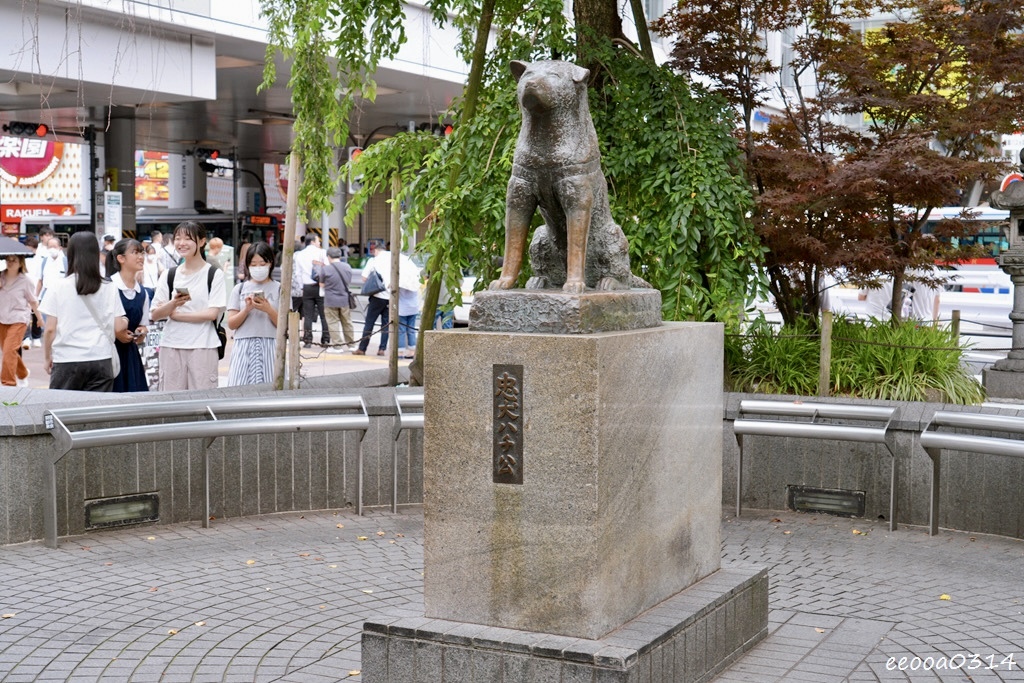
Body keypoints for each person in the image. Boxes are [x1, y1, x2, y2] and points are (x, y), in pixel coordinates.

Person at [40, 232, 128, 392]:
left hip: (67, 359)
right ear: (95, 254)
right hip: (101, 358)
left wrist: (47, 358)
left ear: (71, 254)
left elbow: (50, 329)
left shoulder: (58, 286)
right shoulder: (109, 287)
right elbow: (119, 325)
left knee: (62, 412)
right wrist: (126, 321)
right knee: (96, 414)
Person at [150, 221, 226, 391]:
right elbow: (155, 314)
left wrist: (177, 315)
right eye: (178, 238)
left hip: (203, 345)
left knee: (203, 401)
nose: (181, 243)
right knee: (171, 401)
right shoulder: (169, 275)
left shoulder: (214, 274)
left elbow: (212, 313)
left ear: (201, 241)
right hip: (171, 345)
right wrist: (173, 303)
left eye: (188, 238)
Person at [226, 242, 280, 385]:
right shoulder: (239, 288)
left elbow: (284, 326)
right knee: (239, 389)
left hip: (271, 345)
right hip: (243, 346)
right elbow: (231, 324)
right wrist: (247, 309)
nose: (258, 268)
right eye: (253, 264)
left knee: (272, 390)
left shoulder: (280, 289)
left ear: (270, 263)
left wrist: (268, 309)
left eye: (262, 263)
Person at [105, 239, 151, 392]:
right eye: (135, 252)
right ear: (121, 258)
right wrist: (117, 333)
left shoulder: (142, 292)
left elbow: (143, 324)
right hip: (108, 353)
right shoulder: (106, 286)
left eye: (141, 253)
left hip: (131, 355)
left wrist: (141, 332)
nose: (141, 257)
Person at [0, 254, 39, 387]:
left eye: (14, 260)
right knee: (8, 350)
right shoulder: (1, 277)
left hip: (19, 318)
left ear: (21, 262)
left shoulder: (26, 280)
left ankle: (8, 384)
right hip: (2, 318)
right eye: (8, 260)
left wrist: (39, 318)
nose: (10, 263)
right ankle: (22, 373)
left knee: (9, 350)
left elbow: (33, 301)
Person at [293, 233, 330, 348]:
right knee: (324, 314)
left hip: (307, 286)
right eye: (318, 241)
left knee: (307, 315)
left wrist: (302, 287)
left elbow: (298, 273)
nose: (319, 243)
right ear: (313, 242)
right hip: (320, 286)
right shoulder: (322, 252)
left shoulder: (300, 255)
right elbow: (327, 269)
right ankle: (325, 340)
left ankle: (308, 341)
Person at [353, 241, 390, 356]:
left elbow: (364, 278)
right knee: (386, 325)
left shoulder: (373, 261)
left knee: (369, 323)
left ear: (376, 251)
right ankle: (382, 349)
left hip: (377, 296)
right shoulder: (393, 260)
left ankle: (362, 348)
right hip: (390, 297)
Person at [319, 246, 356, 351]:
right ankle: (352, 345)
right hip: (344, 299)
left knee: (332, 322)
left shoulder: (326, 269)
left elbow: (321, 284)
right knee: (347, 322)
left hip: (330, 300)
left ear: (329, 257)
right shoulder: (347, 267)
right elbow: (348, 281)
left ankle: (337, 346)